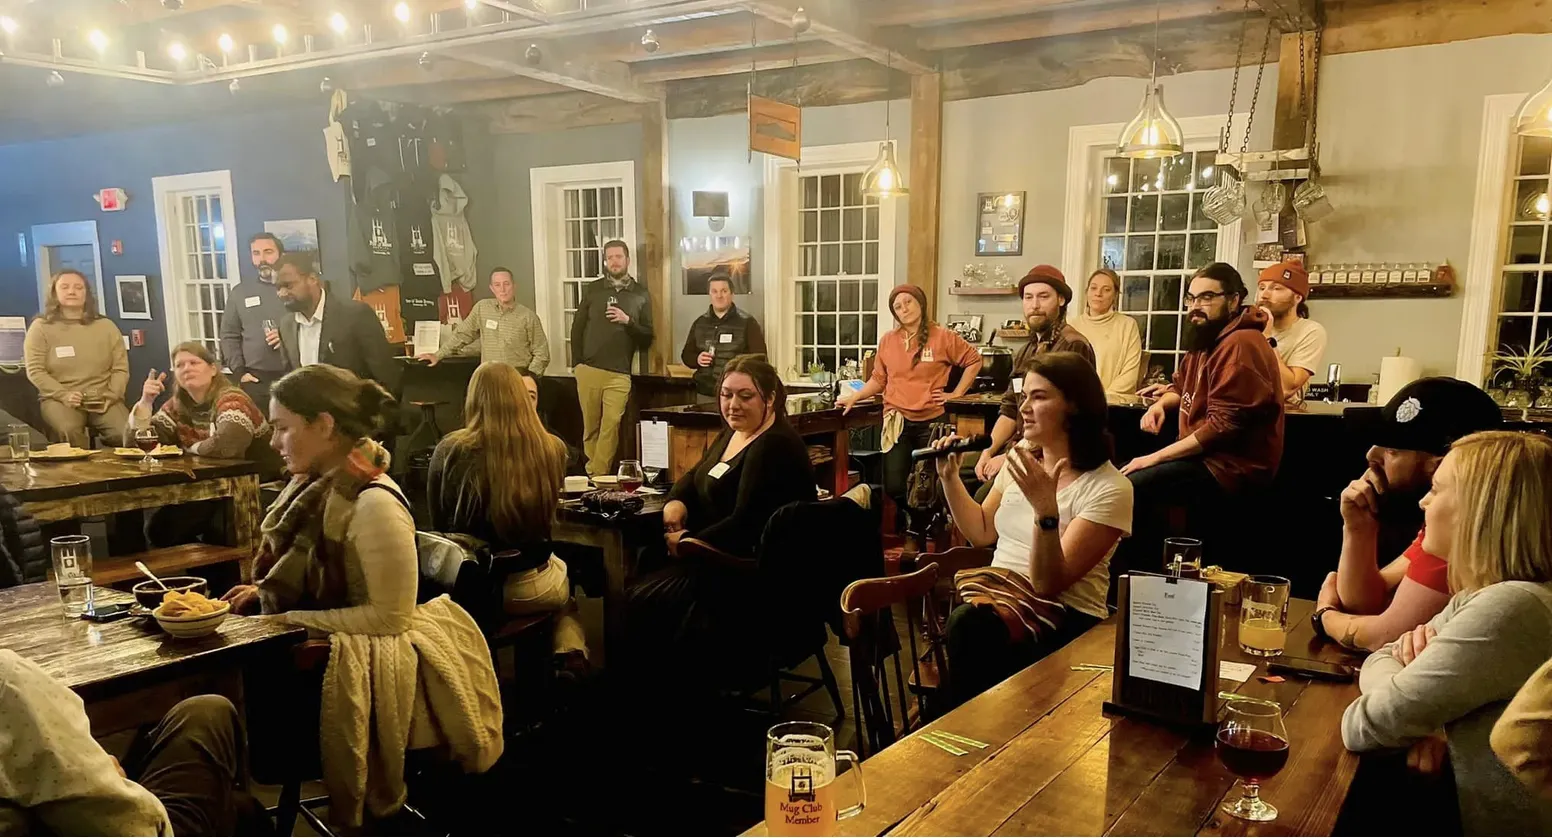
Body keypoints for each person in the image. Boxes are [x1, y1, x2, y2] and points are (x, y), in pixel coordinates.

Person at [1341, 430, 1552, 835]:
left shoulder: (1511, 608)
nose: (1423, 501)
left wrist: (1418, 713)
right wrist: (1425, 714)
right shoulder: (1480, 594)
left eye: (1436, 490)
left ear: (1481, 509)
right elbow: (1383, 654)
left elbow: (1363, 724)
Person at [931, 353, 1132, 706]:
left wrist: (1046, 511)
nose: (1024, 407)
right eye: (1024, 395)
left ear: (1075, 407)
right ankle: (973, 732)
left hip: (1068, 623)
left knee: (970, 628)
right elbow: (981, 531)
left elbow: (1048, 583)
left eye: (1038, 397)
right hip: (1000, 603)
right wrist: (948, 478)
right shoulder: (1022, 456)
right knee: (973, 627)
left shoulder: (1110, 487)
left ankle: (965, 734)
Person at [626, 355, 817, 685]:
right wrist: (675, 504)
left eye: (746, 396)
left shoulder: (774, 446)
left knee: (640, 598)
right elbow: (695, 475)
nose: (733, 405)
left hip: (750, 575)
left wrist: (687, 542)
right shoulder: (734, 434)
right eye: (727, 394)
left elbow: (745, 523)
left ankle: (664, 691)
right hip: (715, 553)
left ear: (770, 399)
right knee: (643, 563)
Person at [1313, 378, 1503, 652]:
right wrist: (1358, 528)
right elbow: (1368, 603)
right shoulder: (1442, 520)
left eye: (1392, 449)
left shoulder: (1469, 531)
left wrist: (1325, 615)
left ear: (1442, 463)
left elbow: (1383, 635)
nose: (1371, 455)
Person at [219, 363, 412, 627]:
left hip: (353, 658)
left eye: (282, 428)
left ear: (324, 426)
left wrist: (279, 622)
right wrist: (261, 594)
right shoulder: (309, 489)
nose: (273, 442)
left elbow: (391, 618)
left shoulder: (375, 504)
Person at [1119, 263, 1282, 574]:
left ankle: (1146, 582)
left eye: (1206, 298)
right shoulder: (1208, 338)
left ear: (1234, 300)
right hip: (1206, 459)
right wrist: (1162, 404)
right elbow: (1182, 386)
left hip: (1231, 468)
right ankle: (1151, 579)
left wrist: (1153, 458)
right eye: (1191, 298)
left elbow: (1222, 427)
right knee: (1126, 483)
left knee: (1132, 487)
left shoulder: (1240, 344)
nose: (1195, 307)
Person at [0, 648, 252, 835]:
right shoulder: (8, 682)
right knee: (209, 712)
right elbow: (127, 826)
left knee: (239, 807)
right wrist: (105, 774)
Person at [426, 363, 585, 657]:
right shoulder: (551, 449)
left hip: (465, 584)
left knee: (558, 577)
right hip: (528, 582)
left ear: (474, 398)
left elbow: (438, 522)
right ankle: (568, 654)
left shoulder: (449, 449)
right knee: (563, 581)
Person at [838, 284, 981, 535]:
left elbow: (973, 360)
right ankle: (923, 523)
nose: (904, 308)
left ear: (920, 304)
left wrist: (956, 394)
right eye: (897, 306)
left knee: (928, 485)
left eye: (908, 302)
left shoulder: (943, 337)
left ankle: (919, 532)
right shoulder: (888, 341)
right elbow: (879, 379)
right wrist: (855, 396)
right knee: (894, 485)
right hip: (897, 420)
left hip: (933, 420)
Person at [134, 342, 278, 547]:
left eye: (194, 362)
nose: (187, 368)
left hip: (260, 485)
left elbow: (228, 446)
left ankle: (228, 578)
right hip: (212, 489)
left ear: (213, 369)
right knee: (161, 529)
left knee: (222, 531)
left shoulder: (232, 398)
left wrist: (191, 448)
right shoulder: (178, 405)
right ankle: (200, 578)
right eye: (180, 365)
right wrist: (145, 403)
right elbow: (137, 442)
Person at [973, 265, 1095, 485]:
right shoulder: (1026, 351)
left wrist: (1012, 457)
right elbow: (1010, 408)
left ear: (1061, 300)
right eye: (1028, 297)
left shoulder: (1072, 345)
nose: (1034, 305)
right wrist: (988, 451)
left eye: (1043, 296)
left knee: (981, 494)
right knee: (952, 473)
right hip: (1018, 447)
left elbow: (1065, 420)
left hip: (1053, 456)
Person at [569, 240, 654, 476]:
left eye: (619, 256)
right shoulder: (593, 289)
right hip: (589, 369)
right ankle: (597, 475)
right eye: (610, 257)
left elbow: (647, 336)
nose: (614, 261)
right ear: (605, 261)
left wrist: (629, 322)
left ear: (627, 260)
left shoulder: (640, 294)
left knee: (611, 427)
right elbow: (577, 329)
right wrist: (577, 364)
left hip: (619, 373)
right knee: (591, 428)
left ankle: (596, 476)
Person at [23, 269, 129, 447]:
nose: (72, 291)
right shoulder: (41, 327)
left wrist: (113, 395)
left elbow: (120, 368)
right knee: (69, 432)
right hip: (59, 398)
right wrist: (64, 395)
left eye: (78, 287)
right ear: (54, 292)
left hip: (103, 397)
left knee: (127, 433)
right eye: (65, 287)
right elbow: (35, 371)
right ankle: (78, 474)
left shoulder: (106, 326)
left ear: (86, 293)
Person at [272, 252, 401, 394]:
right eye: (278, 288)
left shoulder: (355, 315)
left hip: (354, 412)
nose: (281, 293)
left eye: (288, 285)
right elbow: (290, 380)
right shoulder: (286, 326)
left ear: (312, 279)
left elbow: (386, 376)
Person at [418, 266, 550, 373]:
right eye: (497, 285)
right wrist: (438, 355)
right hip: (488, 378)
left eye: (506, 284)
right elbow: (462, 335)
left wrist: (529, 378)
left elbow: (542, 354)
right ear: (492, 288)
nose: (502, 289)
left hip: (516, 378)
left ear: (514, 286)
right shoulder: (482, 308)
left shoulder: (528, 317)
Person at [219, 232, 291, 412]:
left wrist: (287, 335)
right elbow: (229, 335)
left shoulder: (295, 289)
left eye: (268, 252)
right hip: (255, 379)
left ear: (280, 255)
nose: (262, 259)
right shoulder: (240, 292)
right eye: (256, 253)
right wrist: (239, 372)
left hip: (293, 374)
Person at [679, 272, 767, 403]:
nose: (719, 295)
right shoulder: (700, 323)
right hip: (704, 393)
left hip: (736, 395)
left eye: (724, 291)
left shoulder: (747, 323)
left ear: (732, 294)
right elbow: (686, 355)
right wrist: (697, 359)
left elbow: (760, 360)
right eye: (714, 291)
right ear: (710, 294)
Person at [1255, 261, 1328, 405]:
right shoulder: (1245, 327)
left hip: (1282, 418)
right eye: (1261, 288)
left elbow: (1286, 388)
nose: (1264, 295)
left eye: (1276, 288)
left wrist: (1267, 338)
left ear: (1297, 297)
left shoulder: (1311, 331)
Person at [1070, 268, 1142, 398]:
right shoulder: (1072, 326)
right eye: (1093, 288)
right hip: (1079, 405)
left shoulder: (1127, 325)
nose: (1098, 293)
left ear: (1115, 295)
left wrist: (1102, 399)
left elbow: (1130, 375)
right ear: (1087, 292)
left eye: (1106, 289)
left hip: (1116, 406)